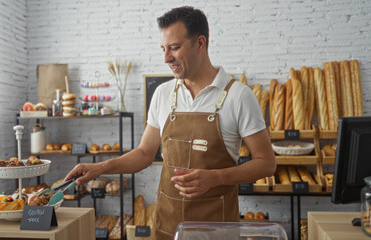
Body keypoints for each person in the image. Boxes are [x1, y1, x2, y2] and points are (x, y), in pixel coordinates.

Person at [65, 6, 275, 240]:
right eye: (164, 49)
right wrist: (100, 168)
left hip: (218, 231)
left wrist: (217, 178)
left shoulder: (238, 96)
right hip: (168, 229)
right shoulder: (163, 94)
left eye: (174, 48)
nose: (166, 58)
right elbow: (145, 153)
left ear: (200, 43)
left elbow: (266, 163)